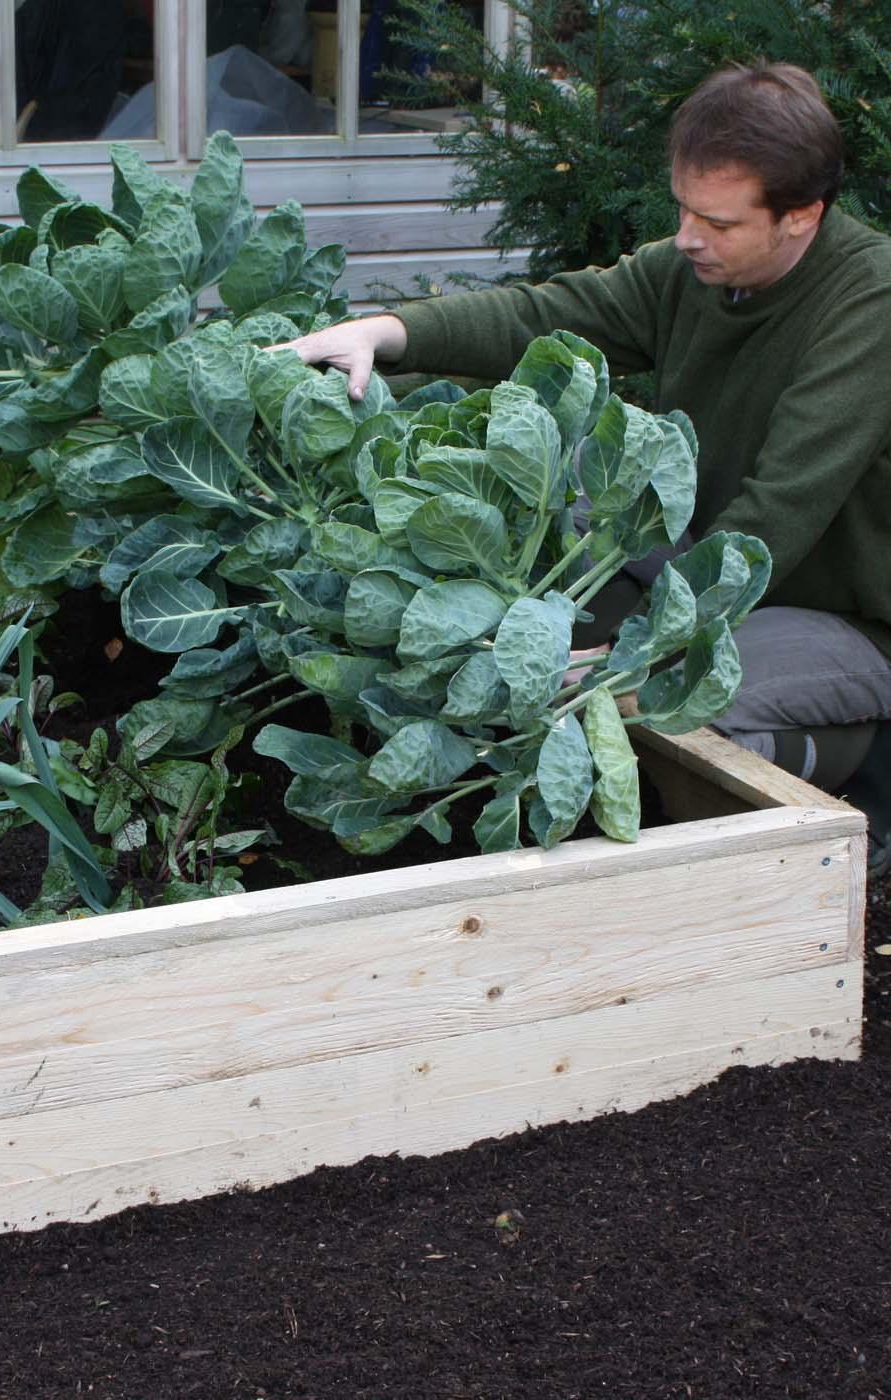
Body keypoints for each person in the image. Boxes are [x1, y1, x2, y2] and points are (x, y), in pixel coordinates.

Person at [280, 61, 891, 866]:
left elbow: (778, 513)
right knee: (532, 614)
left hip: (846, 610)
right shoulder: (694, 273)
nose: (687, 236)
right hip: (717, 564)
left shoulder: (870, 304)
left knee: (656, 697)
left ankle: (855, 792)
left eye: (718, 221)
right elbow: (548, 312)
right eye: (682, 208)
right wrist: (385, 334)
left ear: (801, 218)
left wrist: (640, 654)